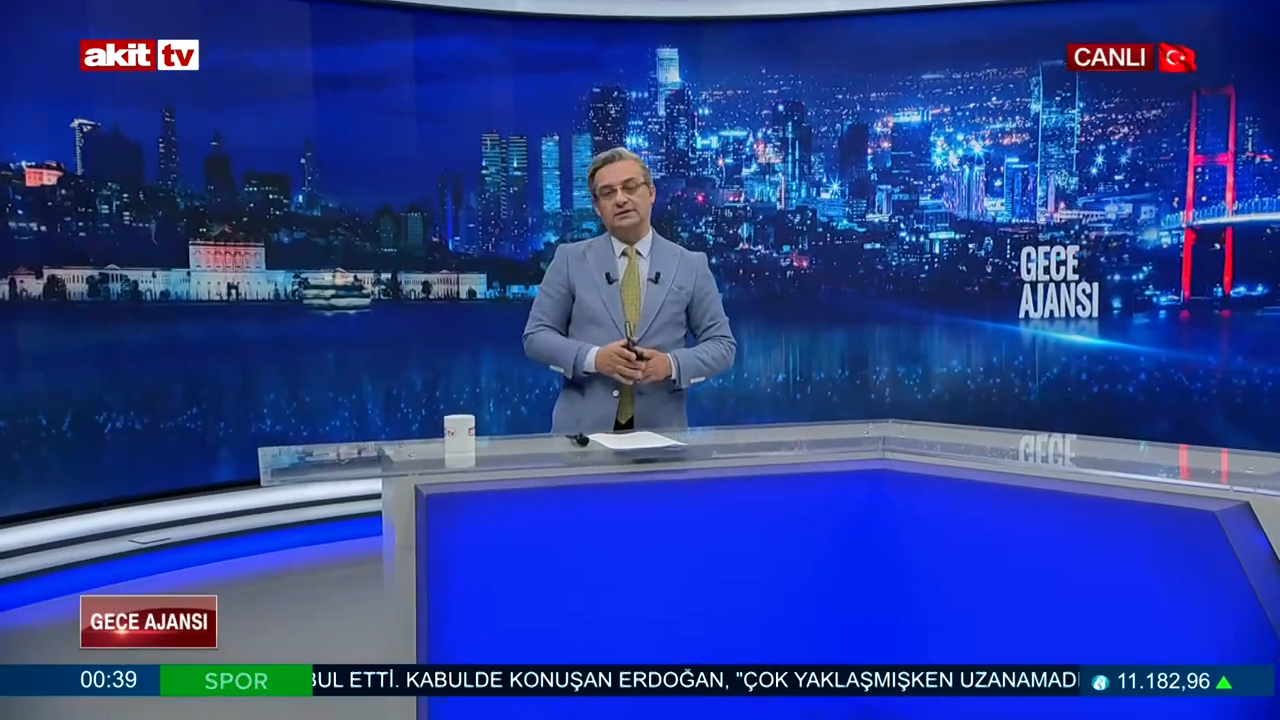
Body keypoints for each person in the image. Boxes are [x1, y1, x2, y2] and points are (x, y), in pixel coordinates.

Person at [523, 147, 737, 435]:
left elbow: (722, 346)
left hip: (660, 436)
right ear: (597, 206)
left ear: (651, 192)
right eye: (608, 193)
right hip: (582, 438)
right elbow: (536, 337)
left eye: (630, 187)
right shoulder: (569, 260)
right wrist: (594, 359)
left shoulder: (691, 265)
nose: (621, 199)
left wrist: (670, 364)